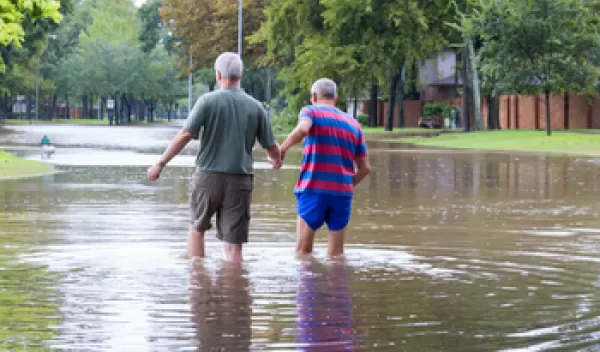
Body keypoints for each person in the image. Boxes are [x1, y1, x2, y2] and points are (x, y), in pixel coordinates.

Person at [147, 52, 283, 263]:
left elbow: (185, 134)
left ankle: (198, 288)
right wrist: (276, 159)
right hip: (240, 180)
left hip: (208, 177)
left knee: (196, 228)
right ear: (241, 75)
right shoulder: (255, 107)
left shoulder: (207, 102)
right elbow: (271, 145)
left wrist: (161, 163)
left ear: (218, 75)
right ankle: (234, 290)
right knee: (234, 246)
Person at [278, 78, 371, 258]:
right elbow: (365, 168)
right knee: (336, 256)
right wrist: (348, 184)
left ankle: (307, 287)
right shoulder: (354, 125)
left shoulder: (310, 111)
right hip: (342, 193)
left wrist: (281, 149)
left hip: (314, 189)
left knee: (303, 253)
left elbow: (303, 129)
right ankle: (336, 285)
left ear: (313, 96)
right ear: (336, 98)